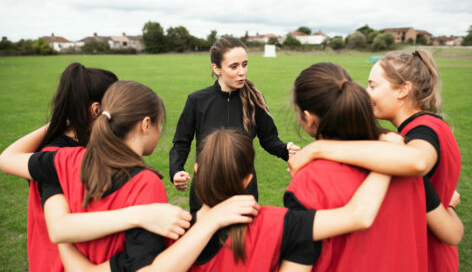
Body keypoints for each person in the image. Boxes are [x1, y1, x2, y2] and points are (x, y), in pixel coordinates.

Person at [0, 81, 256, 272]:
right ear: (146, 124)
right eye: (159, 124)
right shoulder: (146, 184)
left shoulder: (65, 158)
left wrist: (62, 120)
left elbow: (6, 159)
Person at [60, 128, 395, 272]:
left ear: (196, 168)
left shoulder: (168, 227)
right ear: (249, 178)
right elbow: (359, 215)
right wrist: (389, 156)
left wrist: (57, 231)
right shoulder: (285, 224)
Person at [289, 52, 462, 271]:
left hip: (428, 256)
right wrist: (446, 205)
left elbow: (417, 162)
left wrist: (318, 148)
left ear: (403, 89)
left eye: (372, 86)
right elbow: (453, 232)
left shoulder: (419, 136)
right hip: (419, 251)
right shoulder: (405, 141)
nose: (366, 95)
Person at [169, 36, 299, 212]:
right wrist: (176, 170)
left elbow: (269, 140)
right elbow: (181, 143)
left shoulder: (255, 100)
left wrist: (287, 151)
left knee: (241, 240)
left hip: (244, 192)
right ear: (216, 68)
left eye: (244, 64)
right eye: (234, 66)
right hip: (205, 193)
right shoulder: (197, 101)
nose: (242, 72)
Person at [28, 62, 118, 272]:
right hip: (59, 265)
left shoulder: (83, 146)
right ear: (96, 110)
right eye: (118, 106)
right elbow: (59, 226)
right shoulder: (56, 157)